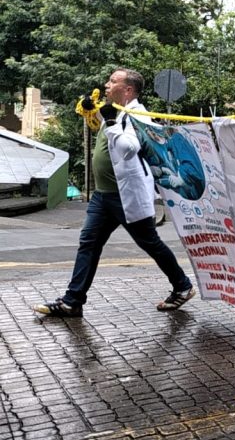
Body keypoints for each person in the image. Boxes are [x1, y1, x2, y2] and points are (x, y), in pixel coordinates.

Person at [32, 68, 196, 318]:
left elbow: (129, 148)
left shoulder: (138, 116)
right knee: (89, 243)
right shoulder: (115, 111)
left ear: (128, 89)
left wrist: (108, 122)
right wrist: (94, 110)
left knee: (150, 243)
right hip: (102, 196)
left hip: (125, 196)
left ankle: (182, 286)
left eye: (113, 81)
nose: (106, 85)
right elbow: (105, 125)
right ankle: (72, 301)